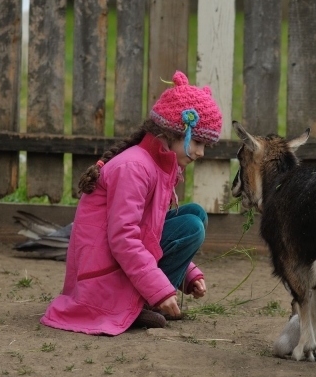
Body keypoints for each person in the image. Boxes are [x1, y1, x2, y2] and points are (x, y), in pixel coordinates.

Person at [41, 70, 223, 335]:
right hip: (103, 280)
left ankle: (148, 300)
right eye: (196, 141)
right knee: (192, 226)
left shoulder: (157, 165)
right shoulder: (135, 167)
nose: (200, 152)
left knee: (194, 215)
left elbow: (151, 230)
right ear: (173, 131)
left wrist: (187, 273)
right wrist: (159, 289)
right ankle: (145, 302)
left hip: (120, 265)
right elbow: (123, 237)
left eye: (205, 145)